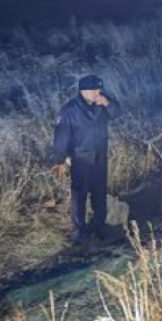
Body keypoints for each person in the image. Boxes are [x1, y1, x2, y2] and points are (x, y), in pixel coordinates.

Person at [52, 74, 122, 244]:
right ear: (83, 91)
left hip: (100, 157)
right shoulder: (69, 110)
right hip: (81, 159)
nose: (98, 92)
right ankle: (78, 233)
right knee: (80, 196)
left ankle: (99, 227)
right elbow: (61, 137)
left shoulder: (103, 103)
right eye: (94, 90)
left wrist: (107, 104)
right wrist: (60, 160)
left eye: (99, 89)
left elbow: (116, 113)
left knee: (99, 194)